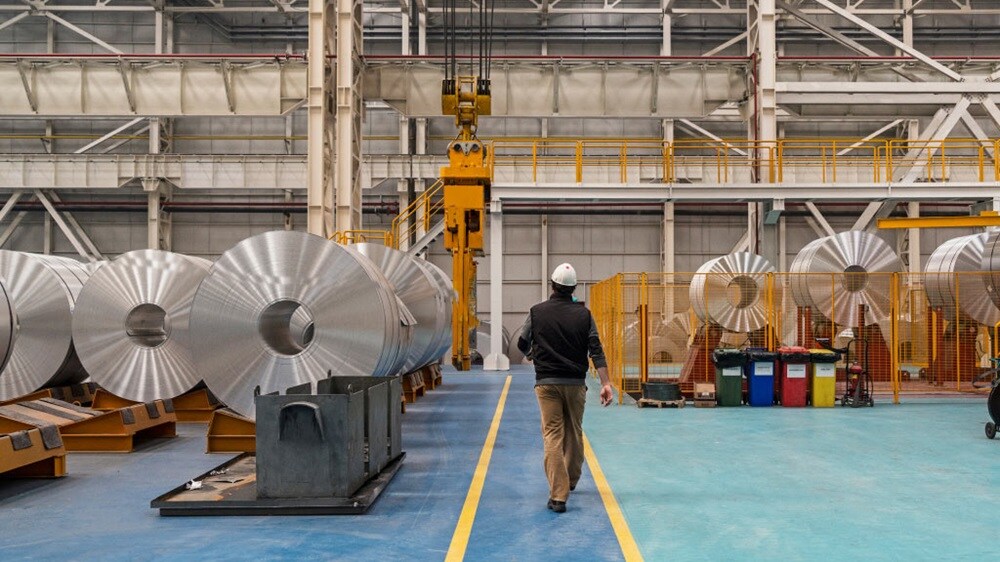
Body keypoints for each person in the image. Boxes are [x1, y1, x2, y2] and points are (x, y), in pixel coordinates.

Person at [517, 262, 614, 514]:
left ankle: (558, 496)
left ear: (552, 285)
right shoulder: (584, 315)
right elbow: (596, 349)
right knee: (575, 431)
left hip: (546, 384)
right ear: (573, 289)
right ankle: (570, 480)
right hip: (575, 384)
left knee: (552, 436)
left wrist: (532, 356)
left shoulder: (537, 312)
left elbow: (521, 342)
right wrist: (605, 383)